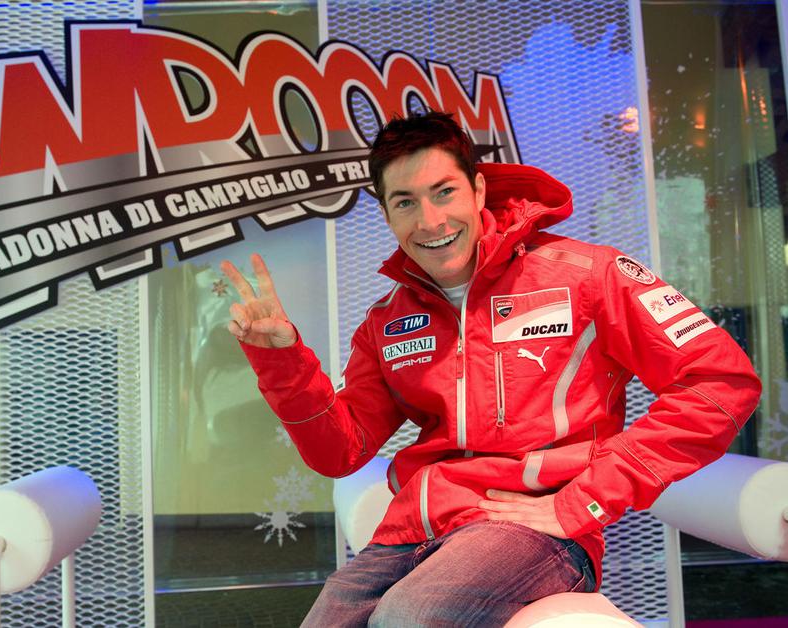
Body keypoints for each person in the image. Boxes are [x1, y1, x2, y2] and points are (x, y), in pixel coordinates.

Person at [221, 111, 761, 626]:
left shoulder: (587, 274)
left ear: (479, 190)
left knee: (408, 618)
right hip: (415, 530)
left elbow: (720, 382)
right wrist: (281, 357)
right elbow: (341, 451)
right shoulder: (386, 320)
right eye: (405, 202)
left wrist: (585, 499)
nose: (430, 221)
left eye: (444, 192)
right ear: (386, 214)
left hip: (535, 529)